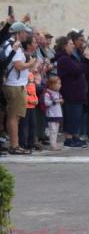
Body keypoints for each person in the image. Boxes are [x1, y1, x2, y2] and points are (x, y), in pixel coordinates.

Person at [3, 23, 37, 154]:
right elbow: (18, 65)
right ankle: (14, 145)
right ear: (18, 33)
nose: (26, 35)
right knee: (14, 116)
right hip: (15, 85)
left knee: (14, 116)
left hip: (15, 84)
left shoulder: (13, 45)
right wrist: (30, 63)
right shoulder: (15, 47)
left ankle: (14, 144)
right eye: (24, 32)